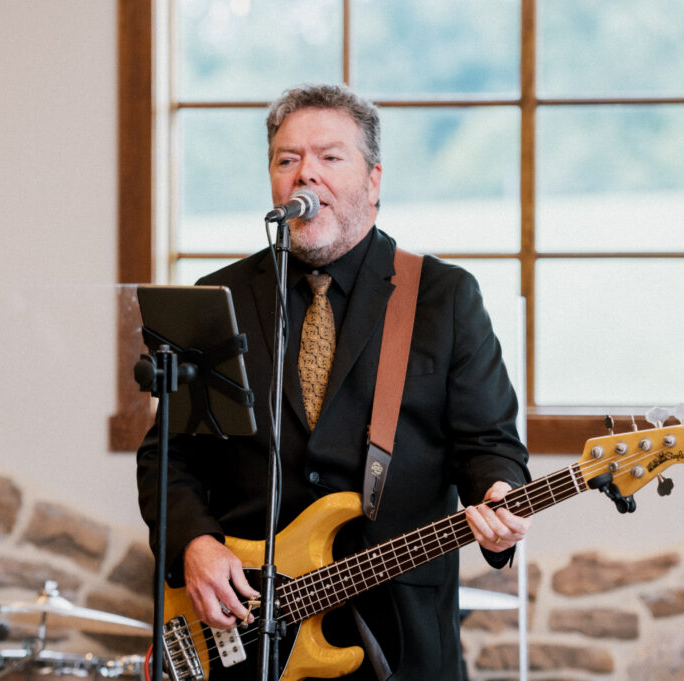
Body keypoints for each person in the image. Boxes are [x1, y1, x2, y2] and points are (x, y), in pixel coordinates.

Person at [137, 83, 532, 681]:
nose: (305, 177)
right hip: (247, 632)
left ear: (374, 181)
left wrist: (499, 495)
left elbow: (489, 445)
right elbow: (169, 458)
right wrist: (194, 544)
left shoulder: (443, 297)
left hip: (401, 636)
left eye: (329, 157)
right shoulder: (216, 300)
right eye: (287, 160)